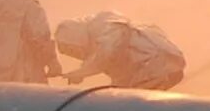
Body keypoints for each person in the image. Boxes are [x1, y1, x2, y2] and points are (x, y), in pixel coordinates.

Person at [54, 11, 187, 91]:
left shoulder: (103, 22)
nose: (74, 54)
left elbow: (107, 52)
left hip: (154, 64)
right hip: (155, 68)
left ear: (75, 36)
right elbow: (120, 80)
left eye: (71, 48)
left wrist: (82, 72)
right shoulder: (100, 37)